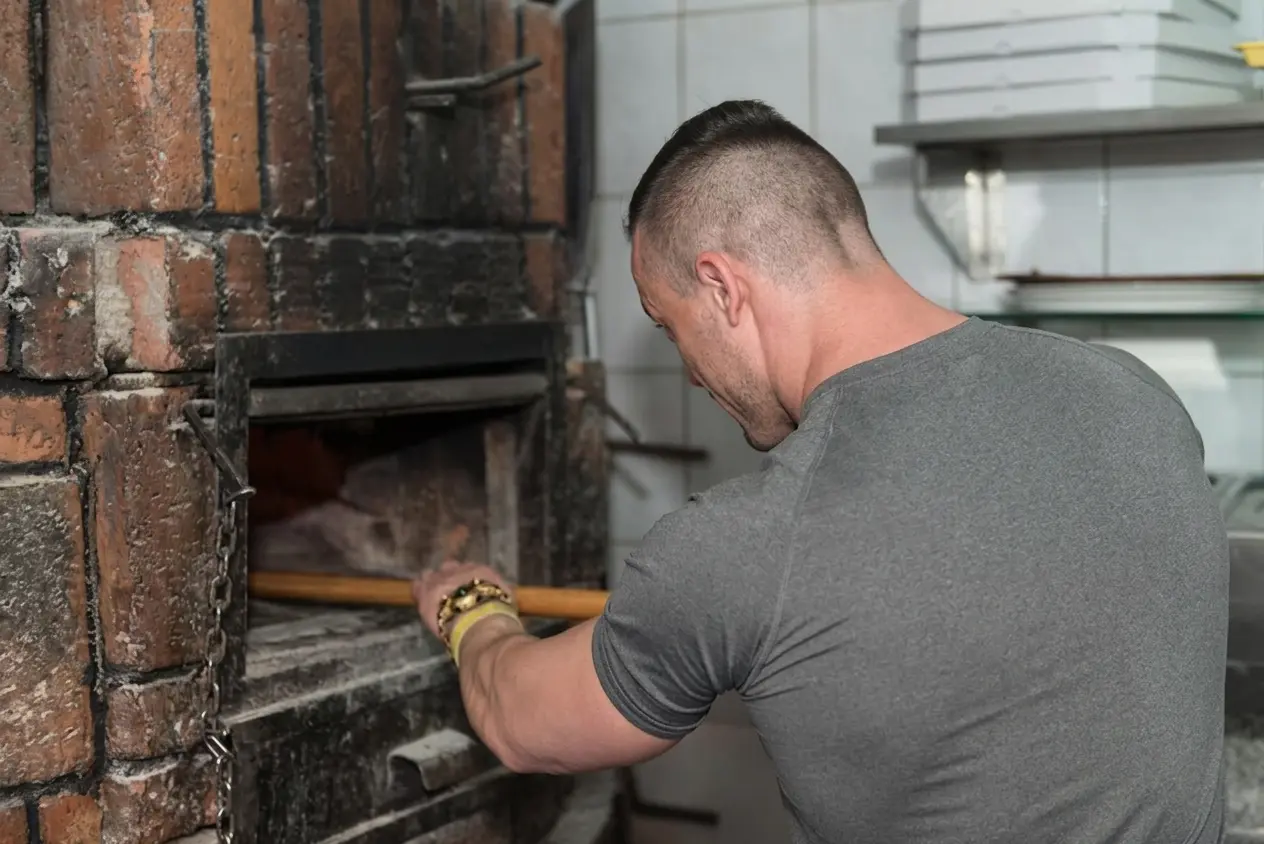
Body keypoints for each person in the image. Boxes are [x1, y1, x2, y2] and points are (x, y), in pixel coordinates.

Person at [412, 100, 1228, 843]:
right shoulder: (1133, 396)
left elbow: (523, 723)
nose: (691, 374)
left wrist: (470, 608)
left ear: (722, 287)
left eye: (670, 327)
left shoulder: (750, 543)